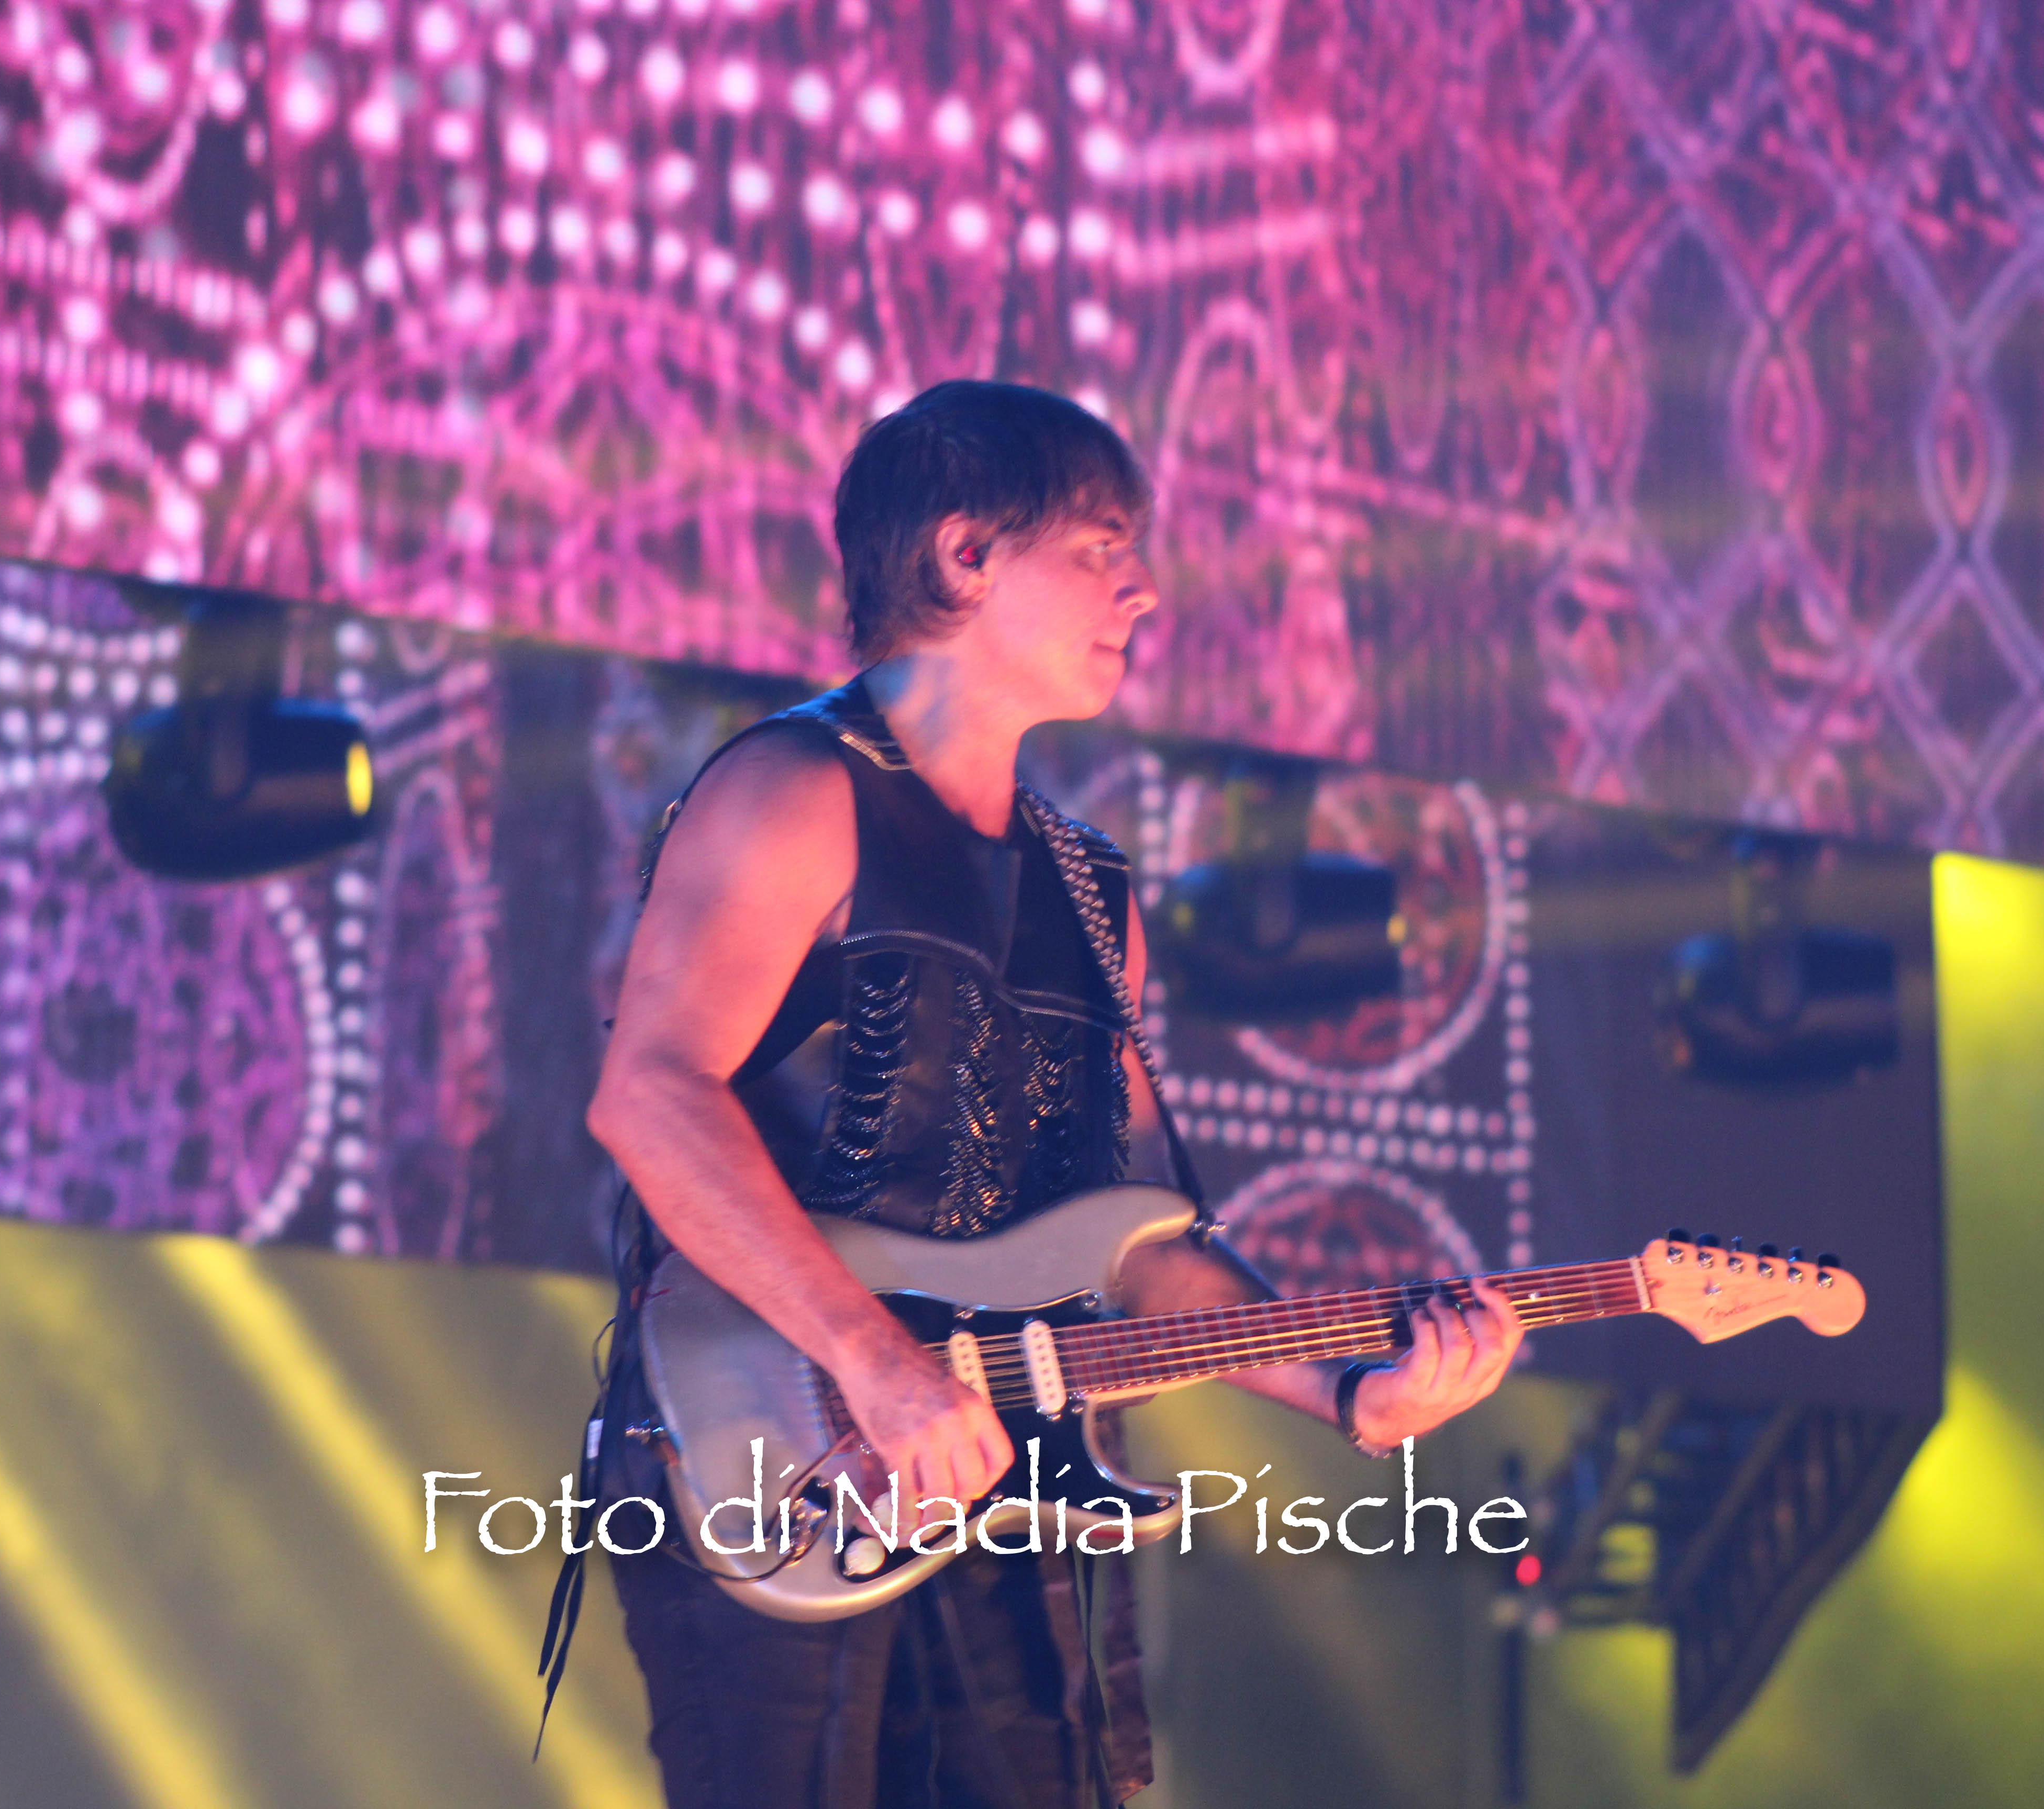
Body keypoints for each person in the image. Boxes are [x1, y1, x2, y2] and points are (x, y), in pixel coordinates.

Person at [580, 379, 1523, 1807]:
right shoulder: (795, 790)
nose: (1144, 588)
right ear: (965, 555)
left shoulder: (1090, 893)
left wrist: (1349, 1392)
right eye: (1101, 546)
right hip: (773, 1447)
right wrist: (879, 1365)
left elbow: (1134, 1244)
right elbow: (650, 1098)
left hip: (1006, 1474)